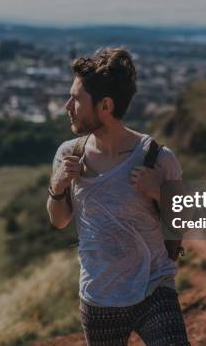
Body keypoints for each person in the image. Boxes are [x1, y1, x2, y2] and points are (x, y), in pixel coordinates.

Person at [47, 48, 190, 346]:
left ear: (106, 106)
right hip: (99, 298)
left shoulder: (158, 159)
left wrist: (159, 193)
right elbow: (59, 221)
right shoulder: (68, 155)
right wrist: (58, 186)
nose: (67, 106)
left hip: (154, 288)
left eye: (76, 98)